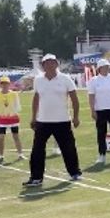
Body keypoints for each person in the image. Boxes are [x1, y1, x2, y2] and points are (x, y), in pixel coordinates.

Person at [25, 53, 82, 186]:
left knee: (68, 148)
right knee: (37, 150)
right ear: (43, 65)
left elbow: (74, 99)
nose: (49, 65)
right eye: (46, 63)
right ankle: (36, 177)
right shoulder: (38, 80)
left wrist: (76, 116)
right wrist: (33, 117)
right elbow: (36, 99)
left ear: (57, 64)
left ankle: (74, 172)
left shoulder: (65, 79)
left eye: (52, 62)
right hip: (43, 121)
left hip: (62, 120)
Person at [87, 58, 110, 165]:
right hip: (100, 110)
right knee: (101, 133)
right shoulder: (94, 80)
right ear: (99, 68)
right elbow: (91, 96)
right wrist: (92, 110)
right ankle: (101, 155)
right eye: (104, 67)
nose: (106, 69)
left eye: (108, 67)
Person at [0, 75, 24, 163]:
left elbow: (18, 106)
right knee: (1, 137)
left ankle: (20, 154)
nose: (5, 85)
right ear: (0, 85)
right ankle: (0, 156)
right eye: (3, 83)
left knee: (16, 136)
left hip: (13, 118)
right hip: (1, 119)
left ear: (9, 84)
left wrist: (14, 112)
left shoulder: (14, 94)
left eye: (6, 83)